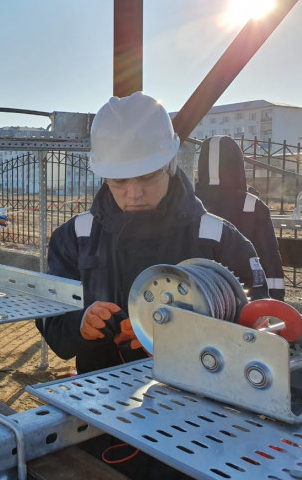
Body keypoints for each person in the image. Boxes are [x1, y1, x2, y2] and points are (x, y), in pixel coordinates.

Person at [35, 92, 269, 479]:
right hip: (101, 423)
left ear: (170, 163)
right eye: (119, 181)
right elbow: (51, 319)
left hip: (199, 432)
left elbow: (258, 336)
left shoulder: (216, 239)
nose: (134, 193)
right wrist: (81, 325)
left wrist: (181, 338)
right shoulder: (75, 238)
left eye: (147, 177)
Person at [195, 135, 285, 300]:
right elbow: (269, 256)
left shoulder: (190, 202)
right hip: (248, 296)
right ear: (238, 164)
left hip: (198, 294)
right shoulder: (253, 205)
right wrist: (275, 301)